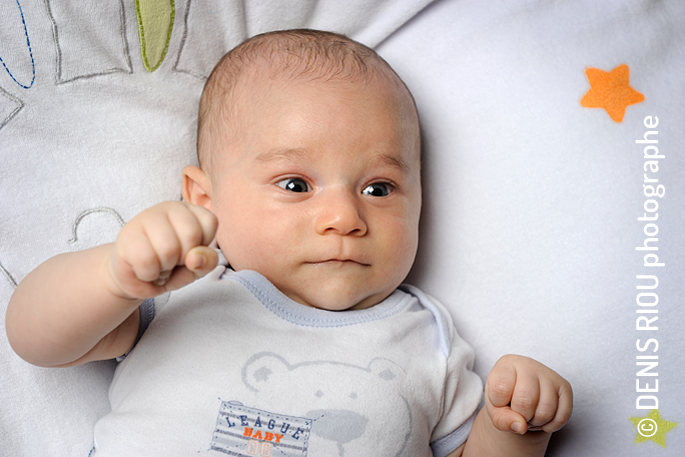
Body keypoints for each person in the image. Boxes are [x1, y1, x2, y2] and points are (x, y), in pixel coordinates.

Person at [6, 29, 572, 456]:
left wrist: (516, 424)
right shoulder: (188, 292)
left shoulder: (428, 344)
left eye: (379, 187)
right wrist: (112, 277)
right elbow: (36, 340)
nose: (344, 216)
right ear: (205, 201)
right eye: (295, 184)